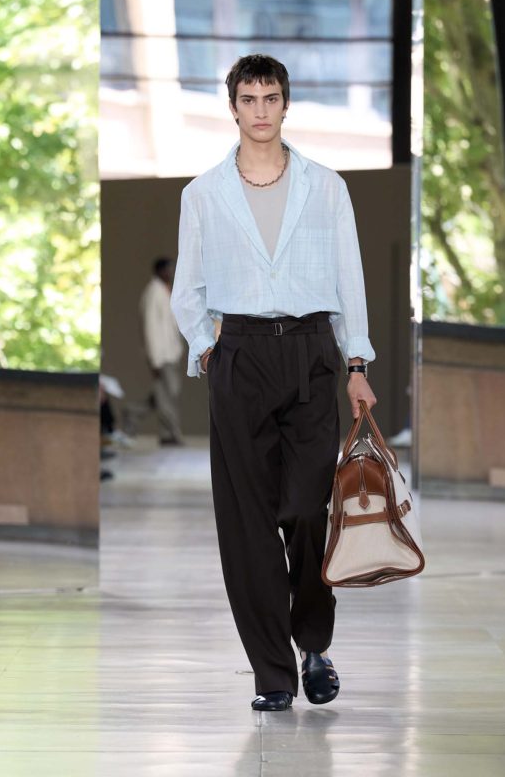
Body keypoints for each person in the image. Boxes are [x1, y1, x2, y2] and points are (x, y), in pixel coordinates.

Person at [171, 54, 376, 712]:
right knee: (247, 523)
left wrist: (356, 364)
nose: (260, 110)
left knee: (306, 509)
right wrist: (209, 350)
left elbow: (349, 278)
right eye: (249, 98)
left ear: (286, 104)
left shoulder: (326, 187)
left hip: (313, 352)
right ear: (232, 106)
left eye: (271, 98)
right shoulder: (203, 194)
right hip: (241, 356)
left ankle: (313, 641)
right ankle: (274, 674)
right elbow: (188, 288)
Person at [140, 257, 184, 445]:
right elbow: (150, 327)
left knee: (165, 394)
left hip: (171, 353)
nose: (171, 273)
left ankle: (131, 414)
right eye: (168, 269)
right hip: (162, 355)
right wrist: (154, 358)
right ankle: (172, 434)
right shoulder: (153, 292)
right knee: (167, 396)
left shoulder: (166, 291)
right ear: (159, 270)